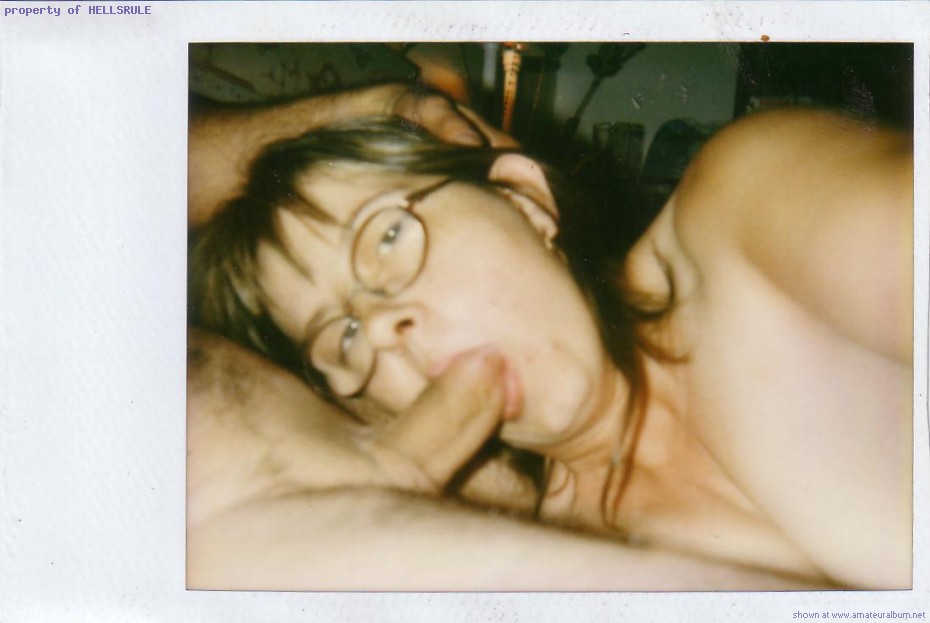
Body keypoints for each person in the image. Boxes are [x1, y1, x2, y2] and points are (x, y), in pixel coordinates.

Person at [187, 83, 912, 590]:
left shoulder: (740, 217)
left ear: (525, 201)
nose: (382, 328)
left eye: (387, 237)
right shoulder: (532, 565)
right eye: (342, 336)